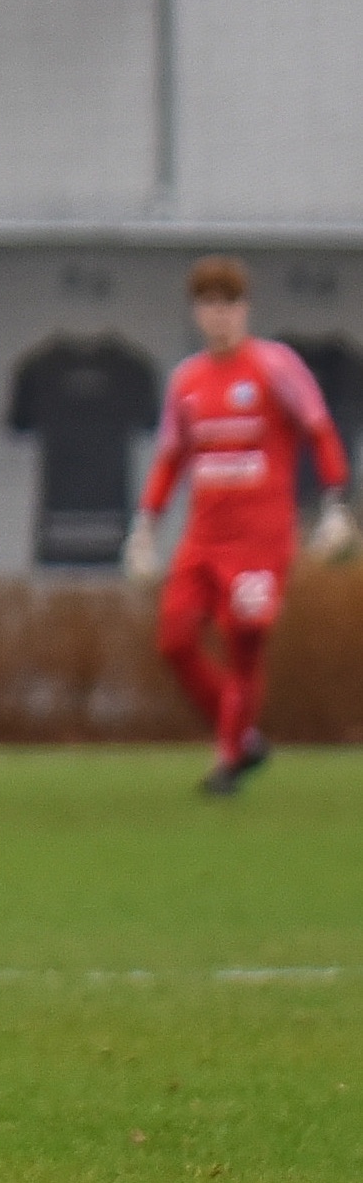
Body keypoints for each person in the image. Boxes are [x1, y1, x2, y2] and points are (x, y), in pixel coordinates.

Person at [126, 257, 357, 796]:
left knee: (244, 637)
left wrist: (335, 505)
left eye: (229, 305)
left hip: (261, 540)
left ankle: (228, 758)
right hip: (203, 540)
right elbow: (170, 459)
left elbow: (320, 431)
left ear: (245, 309)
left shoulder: (275, 368)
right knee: (174, 640)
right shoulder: (186, 381)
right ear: (196, 313)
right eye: (208, 306)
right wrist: (145, 528)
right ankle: (244, 737)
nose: (219, 316)